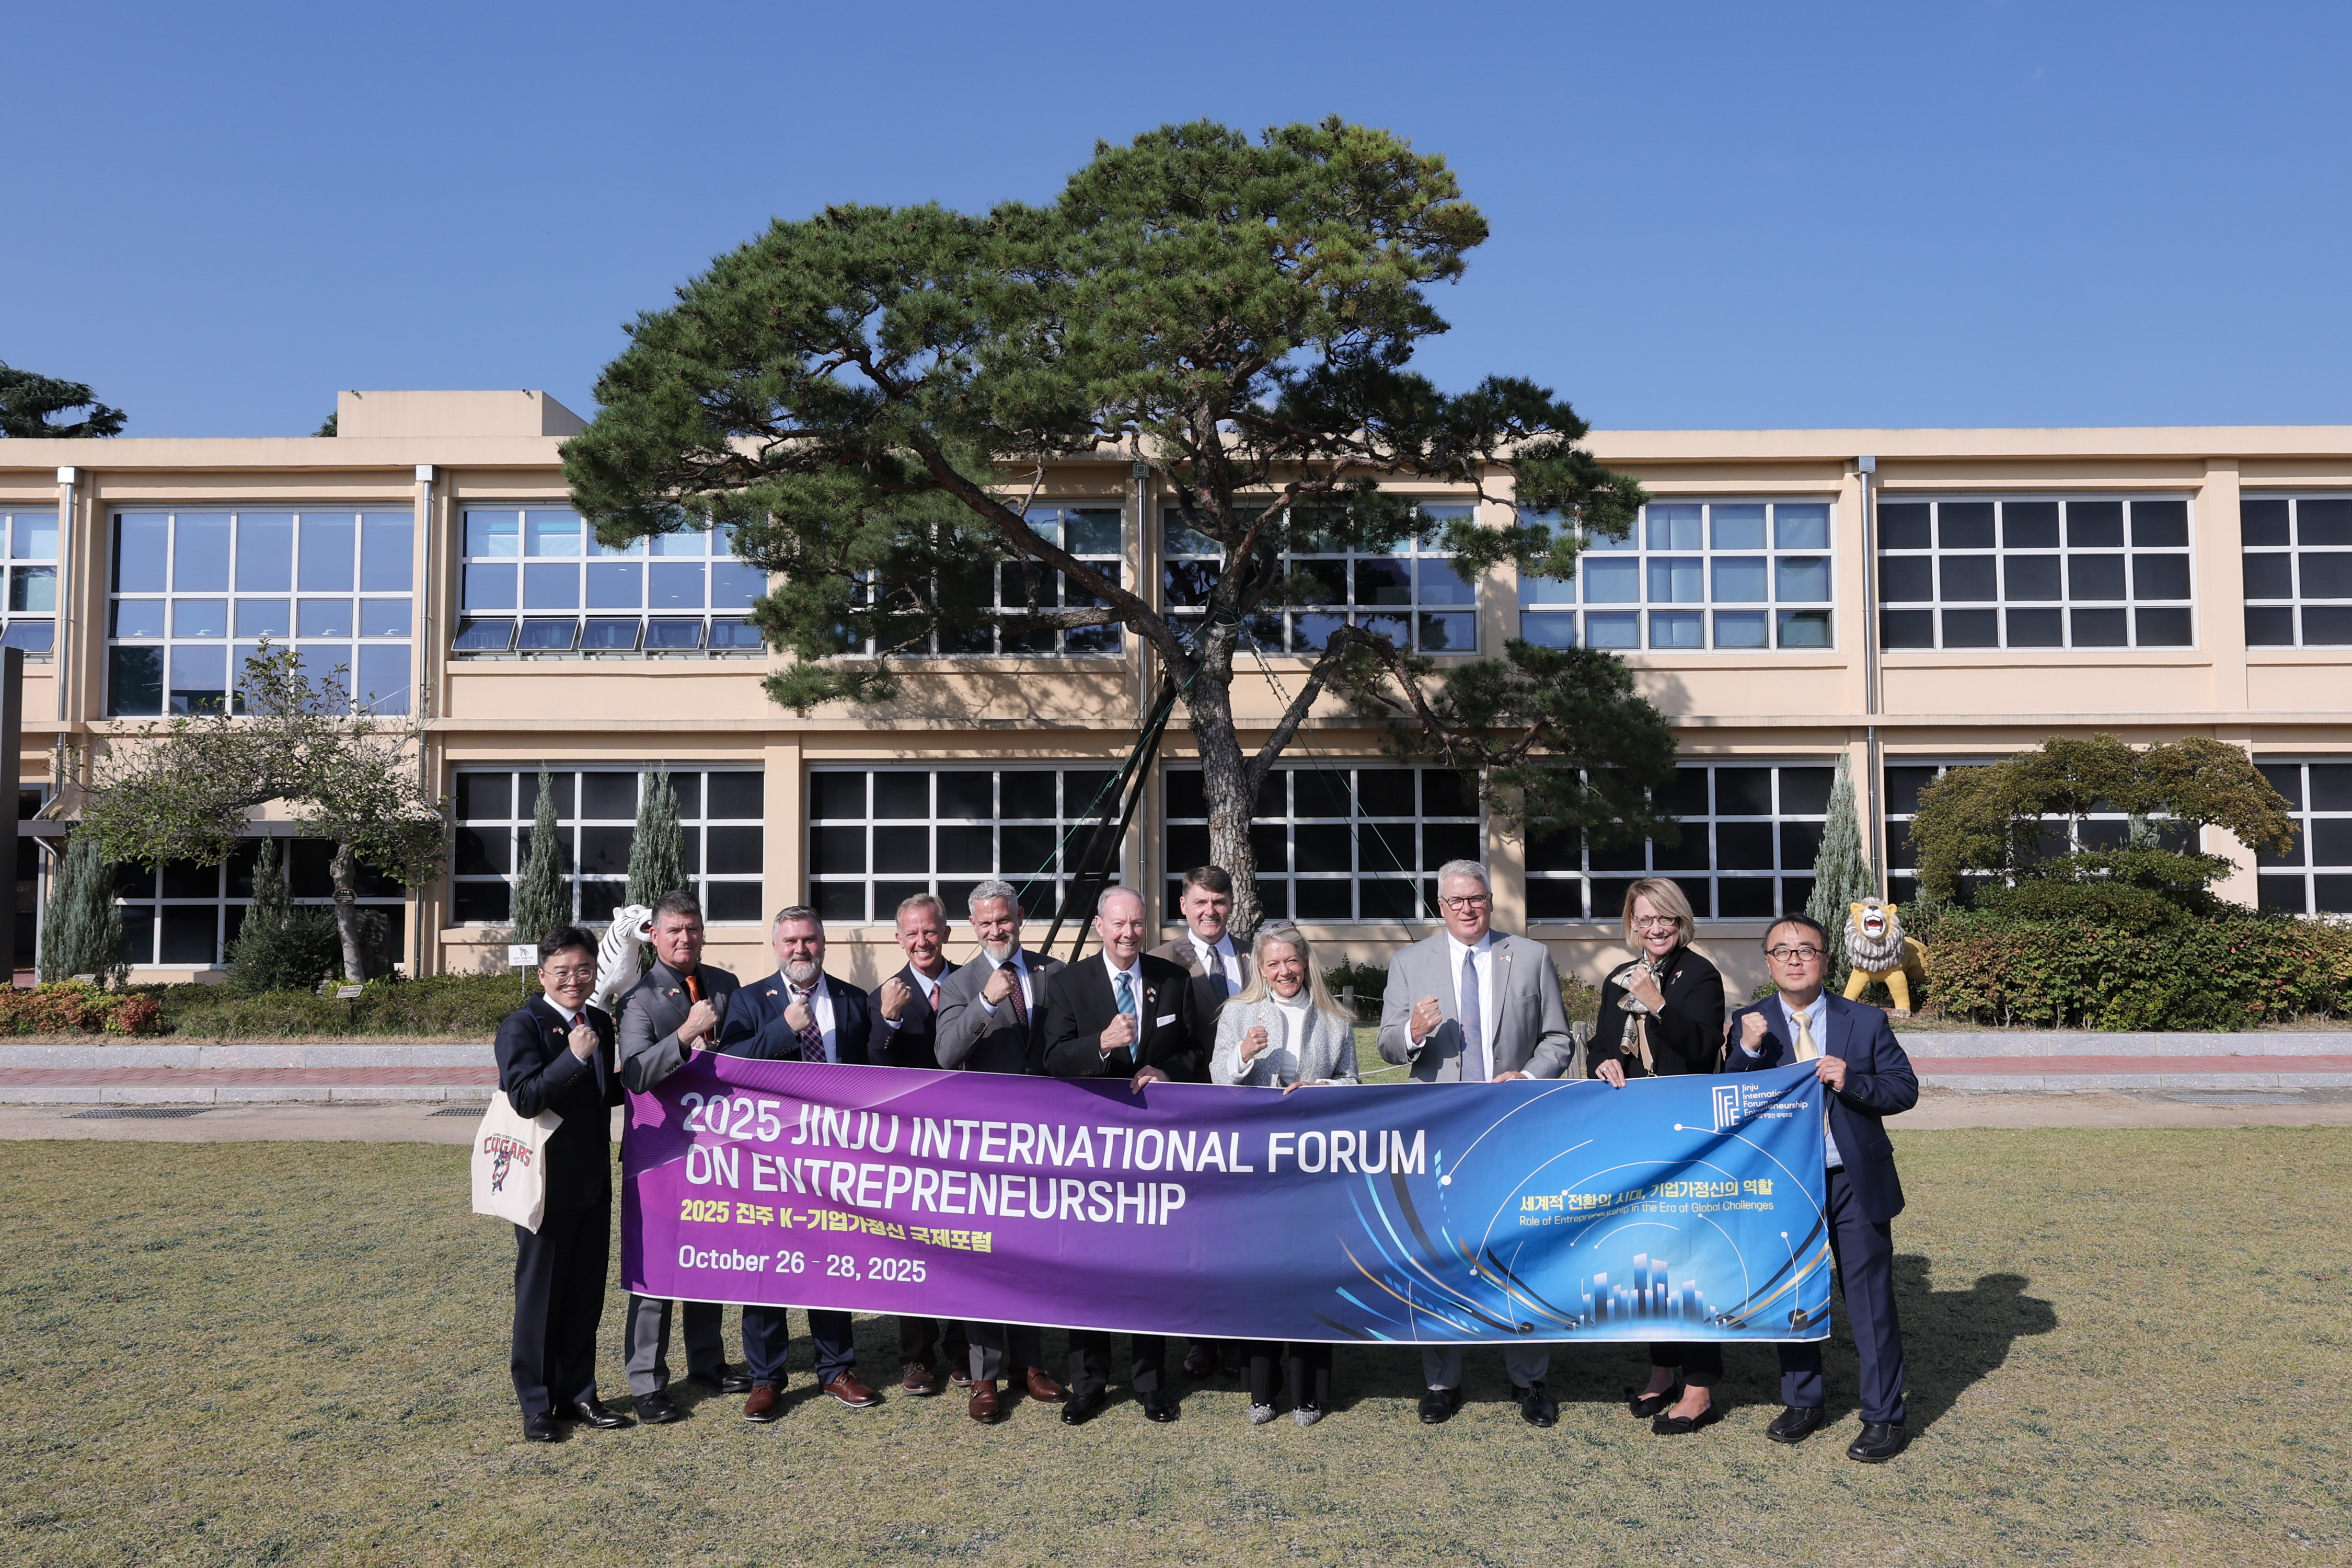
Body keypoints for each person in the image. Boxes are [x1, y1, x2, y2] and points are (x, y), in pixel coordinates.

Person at [1375, 859, 1575, 1427]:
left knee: (1518, 1251)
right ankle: (1442, 1381)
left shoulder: (1529, 956)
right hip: (1440, 1135)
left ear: (1490, 901)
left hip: (1513, 1133)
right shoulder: (1410, 962)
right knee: (1438, 1253)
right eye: (1456, 901)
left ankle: (1530, 1379)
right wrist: (1414, 1032)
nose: (1468, 909)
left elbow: (1558, 1040)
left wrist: (1529, 1078)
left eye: (1477, 899)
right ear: (1440, 907)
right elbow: (1388, 1044)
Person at [1725, 913, 1919, 1463]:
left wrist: (1851, 1080)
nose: (1794, 959)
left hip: (1852, 1178)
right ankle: (1802, 1401)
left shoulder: (1866, 1020)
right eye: (1782, 951)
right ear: (1768, 963)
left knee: (1870, 1300)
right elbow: (1727, 1099)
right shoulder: (1750, 1021)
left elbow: (1904, 1089)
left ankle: (1883, 1415)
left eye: (1806, 950)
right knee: (1793, 1295)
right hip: (1786, 1183)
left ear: (1826, 960)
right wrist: (1747, 1051)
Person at [1039, 884, 1198, 1424]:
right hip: (1093, 1152)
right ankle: (1089, 1384)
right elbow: (1051, 1059)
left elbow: (1197, 1051)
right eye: (1119, 924)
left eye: (1137, 923)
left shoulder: (1173, 980)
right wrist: (1101, 1045)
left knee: (1148, 1266)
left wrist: (1168, 1071)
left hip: (1154, 1151)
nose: (1129, 933)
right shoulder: (1068, 984)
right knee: (1090, 1268)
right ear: (1101, 927)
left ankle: (1151, 1383)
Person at [717, 904, 879, 1419]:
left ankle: (836, 1369)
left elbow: (872, 1074)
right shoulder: (748, 1000)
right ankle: (767, 1377)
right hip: (769, 1159)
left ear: (823, 943)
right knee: (766, 1263)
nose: (800, 949)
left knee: (831, 1259)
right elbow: (731, 1066)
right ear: (776, 947)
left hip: (833, 1158)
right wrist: (783, 1028)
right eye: (790, 941)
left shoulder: (853, 1000)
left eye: (809, 939)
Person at [1588, 878, 1730, 1435]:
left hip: (1685, 1134)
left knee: (1689, 1256)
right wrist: (1602, 1062)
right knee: (1645, 1252)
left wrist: (1658, 1003)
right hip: (1634, 1134)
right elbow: (1601, 1045)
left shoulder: (1700, 975)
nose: (1655, 929)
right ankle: (1662, 1371)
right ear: (1632, 924)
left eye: (1664, 918)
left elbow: (1702, 1048)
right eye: (1644, 919)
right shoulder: (1618, 978)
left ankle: (1700, 1388)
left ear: (1681, 920)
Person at [932, 879, 1069, 1423]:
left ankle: (1030, 1364)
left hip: (1045, 1143)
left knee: (1031, 1256)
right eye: (986, 923)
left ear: (1020, 916)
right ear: (972, 926)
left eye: (1004, 920)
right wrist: (987, 1001)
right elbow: (946, 1054)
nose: (996, 930)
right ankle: (984, 1375)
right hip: (985, 1148)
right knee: (985, 1260)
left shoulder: (1054, 972)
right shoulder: (960, 983)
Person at [1210, 920, 1357, 1426]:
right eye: (1273, 963)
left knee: (1312, 1276)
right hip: (1257, 1170)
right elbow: (1217, 1080)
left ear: (1305, 962)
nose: (1284, 971)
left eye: (1291, 961)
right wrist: (1243, 1054)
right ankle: (1261, 1391)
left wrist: (1324, 1089)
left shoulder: (1335, 1019)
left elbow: (1353, 1083)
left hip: (1315, 1171)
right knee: (1262, 1278)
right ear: (1260, 967)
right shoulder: (1237, 1011)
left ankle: (1309, 1393)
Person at [495, 925, 629, 1442]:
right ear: (543, 974)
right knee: (540, 1297)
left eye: (584, 970)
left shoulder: (598, 1022)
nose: (574, 980)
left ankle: (579, 1394)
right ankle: (536, 1404)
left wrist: (672, 1062)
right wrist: (572, 1058)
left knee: (585, 1294)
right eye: (562, 971)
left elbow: (604, 1094)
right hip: (543, 1186)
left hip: (593, 1182)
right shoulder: (522, 1026)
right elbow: (525, 1097)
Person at [615, 891, 744, 1424]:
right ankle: (647, 1383)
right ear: (654, 936)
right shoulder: (638, 999)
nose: (684, 938)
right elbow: (635, 1074)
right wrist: (687, 1036)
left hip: (718, 1151)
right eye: (674, 930)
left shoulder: (727, 985)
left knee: (706, 1257)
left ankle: (707, 1362)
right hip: (660, 1155)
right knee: (657, 1270)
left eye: (692, 928)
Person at [865, 892, 967, 1397]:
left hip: (969, 1142)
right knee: (914, 1251)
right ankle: (917, 1358)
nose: (922, 941)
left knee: (968, 1248)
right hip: (911, 1148)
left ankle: (965, 1351)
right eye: (912, 933)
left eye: (930, 931)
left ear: (946, 933)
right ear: (898, 939)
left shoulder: (973, 983)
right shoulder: (881, 996)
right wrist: (887, 1020)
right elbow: (871, 1074)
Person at [1147, 863, 1244, 1379]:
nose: (1211, 912)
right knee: (1195, 1235)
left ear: (1232, 904)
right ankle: (1201, 1338)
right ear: (1183, 906)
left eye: (1220, 902)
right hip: (1189, 1116)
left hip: (1251, 1119)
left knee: (1241, 1233)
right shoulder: (1160, 961)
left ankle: (1239, 1336)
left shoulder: (1256, 954)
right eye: (1201, 902)